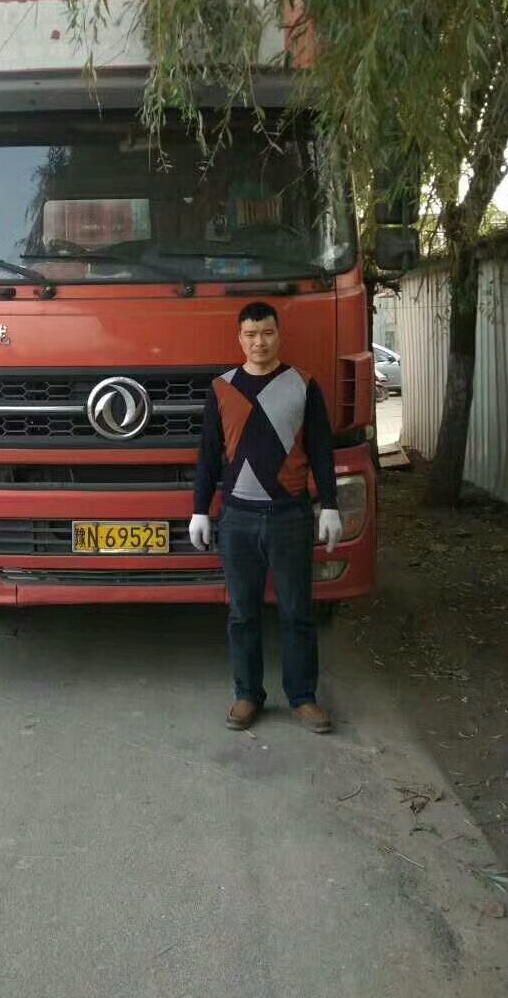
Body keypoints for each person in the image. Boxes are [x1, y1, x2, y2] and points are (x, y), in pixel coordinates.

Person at [189, 301, 343, 733]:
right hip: (237, 518)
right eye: (251, 334)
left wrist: (330, 504)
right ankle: (247, 695)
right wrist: (200, 509)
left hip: (290, 516)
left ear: (279, 335)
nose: (260, 342)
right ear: (240, 338)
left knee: (297, 612)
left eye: (268, 333)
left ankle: (303, 697)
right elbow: (208, 456)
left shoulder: (304, 385)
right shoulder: (222, 388)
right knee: (242, 614)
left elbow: (321, 450)